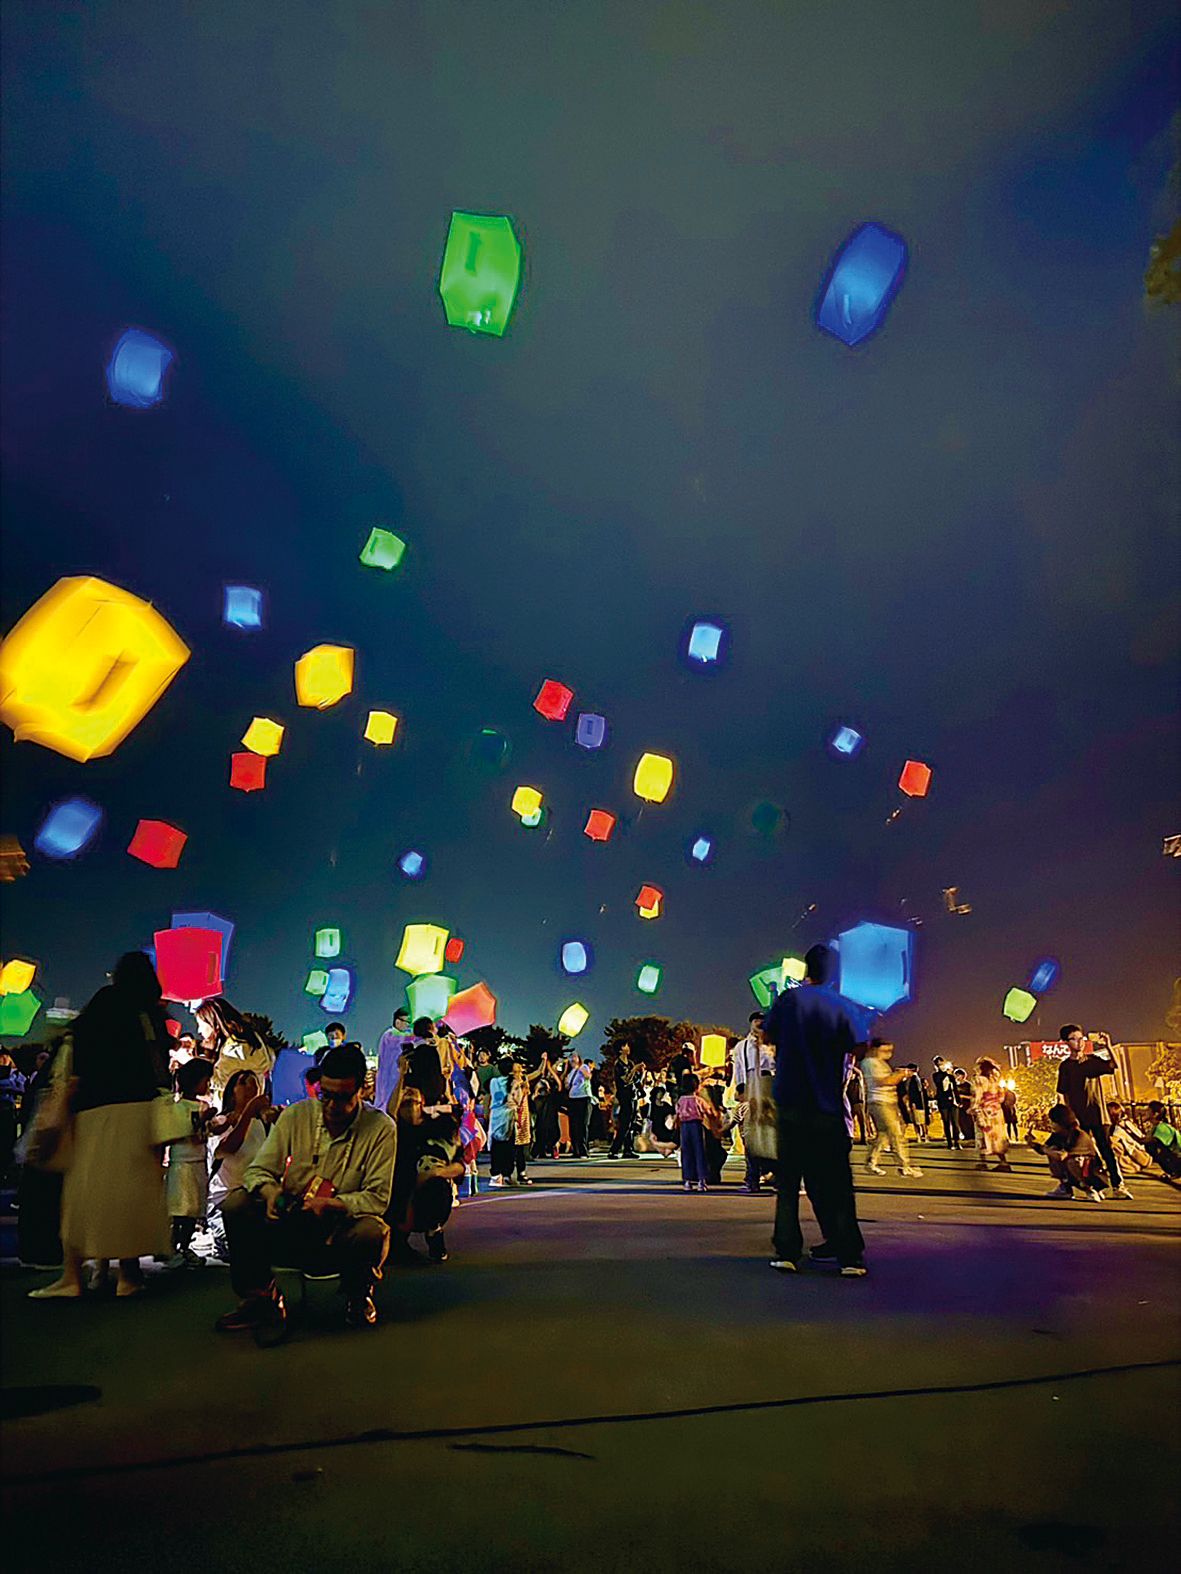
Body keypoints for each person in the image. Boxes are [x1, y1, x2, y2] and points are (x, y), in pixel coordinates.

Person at [215, 1042, 394, 1342]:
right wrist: (271, 1192)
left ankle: (358, 1294)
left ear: (362, 1090)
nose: (332, 1107)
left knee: (371, 1231)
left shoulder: (380, 1128)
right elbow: (258, 1171)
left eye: (343, 1098)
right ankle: (259, 1297)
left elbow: (378, 1198)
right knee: (237, 1204)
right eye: (326, 1096)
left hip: (340, 1224)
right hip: (291, 1211)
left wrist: (335, 1204)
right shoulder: (296, 1116)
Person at [29, 952, 171, 1301]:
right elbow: (160, 1064)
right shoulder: (151, 1013)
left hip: (95, 1110)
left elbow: (76, 1044)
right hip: (141, 1112)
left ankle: (72, 1276)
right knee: (131, 1194)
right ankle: (129, 1275)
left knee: (86, 1193)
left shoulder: (106, 1003)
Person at [764, 944, 871, 1276]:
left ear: (805, 970)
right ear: (834, 973)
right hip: (827, 1105)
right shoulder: (843, 1005)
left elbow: (767, 1035)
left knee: (788, 1182)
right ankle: (849, 1255)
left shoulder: (788, 1000)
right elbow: (860, 1045)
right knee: (837, 1181)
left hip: (792, 1102)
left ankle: (787, 1251)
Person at [1056, 1027, 1133, 1199]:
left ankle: (1118, 1186)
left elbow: (1114, 1065)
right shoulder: (1066, 1066)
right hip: (1077, 1116)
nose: (1079, 1041)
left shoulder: (1091, 1061)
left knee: (1106, 1151)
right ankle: (1077, 1187)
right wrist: (1069, 1118)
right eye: (1074, 1038)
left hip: (1098, 1114)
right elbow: (1063, 1093)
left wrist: (1108, 1046)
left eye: (1081, 1038)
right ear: (1065, 1042)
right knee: (1078, 1153)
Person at [207, 1070, 274, 1257]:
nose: (250, 1088)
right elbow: (226, 1150)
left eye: (254, 1083)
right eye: (243, 1083)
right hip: (227, 1196)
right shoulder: (222, 1121)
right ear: (231, 1090)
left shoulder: (264, 1124)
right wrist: (247, 1113)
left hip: (257, 1193)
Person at [165, 1057, 218, 1266]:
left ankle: (183, 1246)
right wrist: (203, 1120)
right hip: (182, 1163)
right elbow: (186, 1131)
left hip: (198, 1161)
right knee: (181, 1210)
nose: (208, 1085)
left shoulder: (203, 1105)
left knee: (193, 1210)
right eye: (206, 1080)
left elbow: (207, 1132)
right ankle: (174, 1247)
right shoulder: (178, 1107)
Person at [195, 996, 276, 1098]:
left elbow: (225, 1083)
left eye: (200, 1024)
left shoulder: (234, 1049)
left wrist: (192, 1067)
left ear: (213, 1022)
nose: (199, 1030)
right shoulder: (248, 1040)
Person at [863, 1041, 922, 1178]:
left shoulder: (881, 1063)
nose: (889, 1054)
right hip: (879, 1102)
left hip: (887, 1102)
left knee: (883, 1135)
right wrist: (900, 1075)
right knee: (896, 1133)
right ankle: (904, 1166)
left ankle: (871, 1162)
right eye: (886, 1050)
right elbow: (883, 1081)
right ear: (876, 1049)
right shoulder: (870, 1062)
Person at [1026, 1105, 1105, 1201]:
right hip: (1077, 1172)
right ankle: (1065, 1188)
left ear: (1061, 1122)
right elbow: (1045, 1150)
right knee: (1052, 1151)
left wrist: (1044, 1149)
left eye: (1053, 1122)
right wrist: (1033, 1144)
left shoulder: (1079, 1135)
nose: (1051, 1124)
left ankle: (1090, 1188)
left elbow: (1062, 1156)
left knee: (1073, 1161)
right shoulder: (1057, 1135)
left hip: (1093, 1173)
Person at [732, 1013, 774, 1191]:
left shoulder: (772, 1045)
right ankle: (752, 1178)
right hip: (751, 1088)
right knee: (750, 1137)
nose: (760, 1024)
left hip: (770, 1088)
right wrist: (742, 1092)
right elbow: (739, 1070)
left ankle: (774, 1175)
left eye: (762, 1022)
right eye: (756, 1021)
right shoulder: (741, 1047)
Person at [971, 1058, 1012, 1172]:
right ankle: (1003, 1162)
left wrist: (974, 1107)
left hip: (985, 1111)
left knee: (982, 1135)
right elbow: (1001, 1097)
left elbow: (978, 1095)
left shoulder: (979, 1080)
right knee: (997, 1137)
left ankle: (982, 1162)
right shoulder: (995, 1080)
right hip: (997, 1111)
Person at [674, 1074, 711, 1192]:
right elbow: (708, 1111)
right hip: (696, 1126)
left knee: (687, 1153)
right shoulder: (698, 1100)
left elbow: (678, 1114)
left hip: (684, 1128)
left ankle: (687, 1181)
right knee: (700, 1152)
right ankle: (701, 1181)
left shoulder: (681, 1100)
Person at [374, 1008, 413, 1115]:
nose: (408, 1026)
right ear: (397, 1021)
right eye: (407, 1022)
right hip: (389, 1078)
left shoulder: (396, 1035)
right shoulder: (390, 1035)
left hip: (392, 1077)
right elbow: (407, 1040)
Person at [608, 1043, 641, 1158]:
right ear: (620, 1049)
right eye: (626, 1046)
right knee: (625, 1123)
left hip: (632, 1095)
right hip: (624, 1096)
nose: (628, 1048)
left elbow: (635, 1080)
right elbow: (625, 1080)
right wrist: (634, 1069)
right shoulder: (618, 1065)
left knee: (631, 1123)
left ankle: (628, 1149)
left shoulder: (630, 1063)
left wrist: (639, 1072)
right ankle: (614, 1149)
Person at [1105, 1101, 1154, 1174]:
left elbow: (1111, 1143)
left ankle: (1129, 1166)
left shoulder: (1118, 1129)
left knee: (1115, 1146)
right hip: (1143, 1151)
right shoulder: (1127, 1123)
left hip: (1138, 1155)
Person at [564, 1053, 593, 1157]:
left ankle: (583, 1149)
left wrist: (581, 1069)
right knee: (574, 1125)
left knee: (583, 1124)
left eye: (574, 1056)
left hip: (584, 1097)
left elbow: (588, 1076)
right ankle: (576, 1150)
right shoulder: (570, 1073)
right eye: (570, 1057)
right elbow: (567, 1086)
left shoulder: (583, 1066)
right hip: (573, 1099)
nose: (572, 1058)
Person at [1143, 1101, 1181, 1178]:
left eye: (1148, 1110)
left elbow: (1146, 1141)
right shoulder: (1157, 1126)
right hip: (1177, 1158)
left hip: (1178, 1158)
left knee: (1151, 1146)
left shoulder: (1162, 1128)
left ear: (1155, 1114)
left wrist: (1127, 1131)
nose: (1145, 1113)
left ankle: (1174, 1171)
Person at [932, 1058, 961, 1149]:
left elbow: (955, 1088)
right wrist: (945, 1073)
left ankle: (957, 1141)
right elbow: (939, 1083)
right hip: (943, 1101)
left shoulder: (951, 1076)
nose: (941, 1066)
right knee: (946, 1122)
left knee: (955, 1123)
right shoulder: (936, 1075)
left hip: (953, 1102)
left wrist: (958, 1100)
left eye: (942, 1064)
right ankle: (949, 1142)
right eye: (939, 1064)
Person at [844, 1060, 867, 1144]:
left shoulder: (858, 1080)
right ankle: (850, 1138)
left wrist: (850, 1066)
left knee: (862, 1123)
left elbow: (859, 1073)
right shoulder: (848, 1082)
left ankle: (863, 1139)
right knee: (850, 1122)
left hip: (858, 1102)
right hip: (851, 1103)